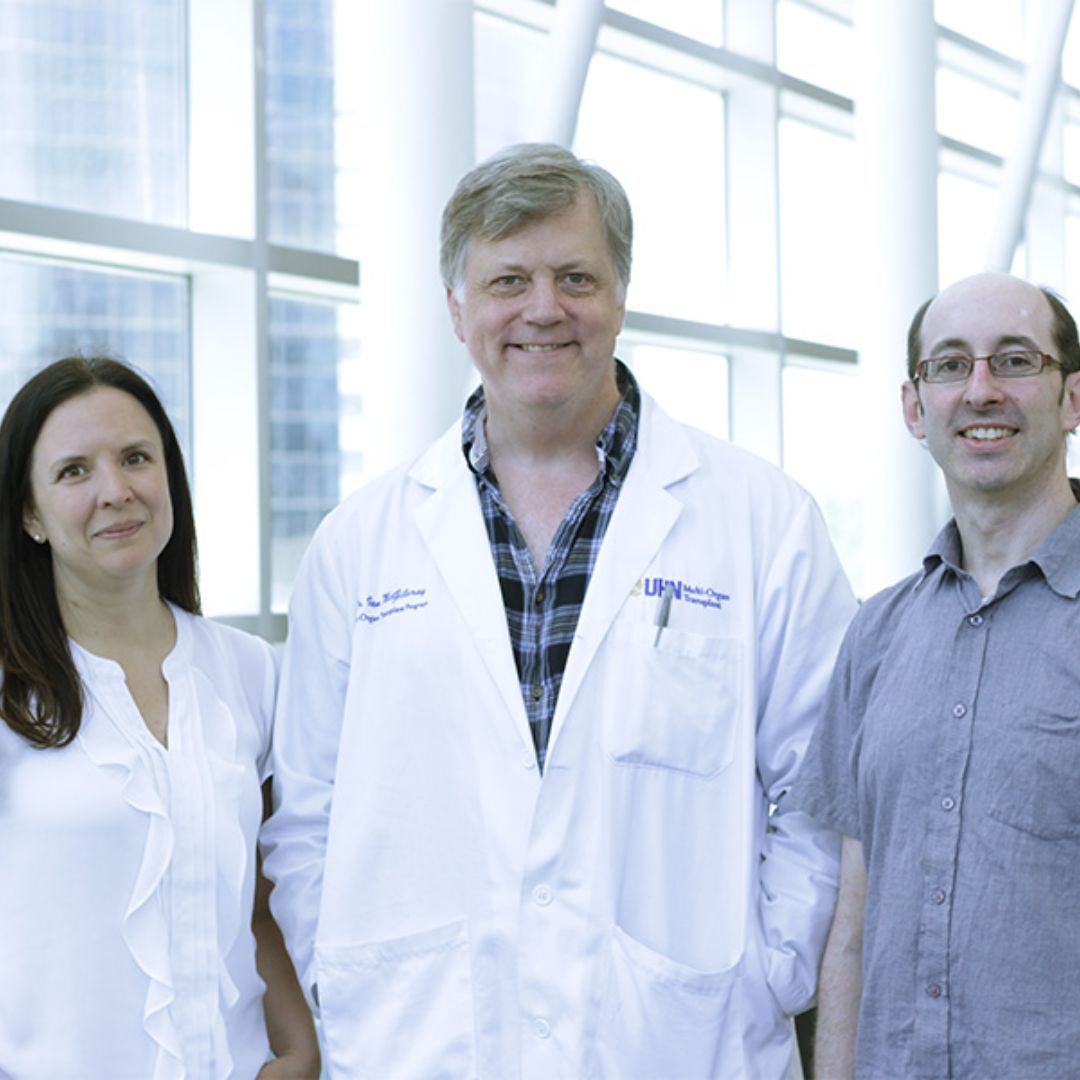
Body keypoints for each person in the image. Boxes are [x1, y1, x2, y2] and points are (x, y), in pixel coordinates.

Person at [262, 142, 855, 1078]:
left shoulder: (762, 520)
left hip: (677, 1041)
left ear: (621, 294)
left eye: (575, 276)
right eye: (508, 280)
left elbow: (820, 788)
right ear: (457, 308)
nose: (543, 309)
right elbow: (307, 815)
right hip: (422, 1043)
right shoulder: (358, 543)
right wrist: (351, 984)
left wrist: (772, 968)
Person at [0, 357, 320, 1079]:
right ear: (29, 514)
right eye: (74, 472)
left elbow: (262, 897)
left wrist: (299, 1048)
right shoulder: (8, 691)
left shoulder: (250, 670)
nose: (116, 491)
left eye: (136, 458)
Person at [795, 271, 1080, 1078]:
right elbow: (852, 926)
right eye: (951, 366)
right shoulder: (876, 635)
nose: (981, 390)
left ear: (1072, 399)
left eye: (1016, 361)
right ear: (916, 409)